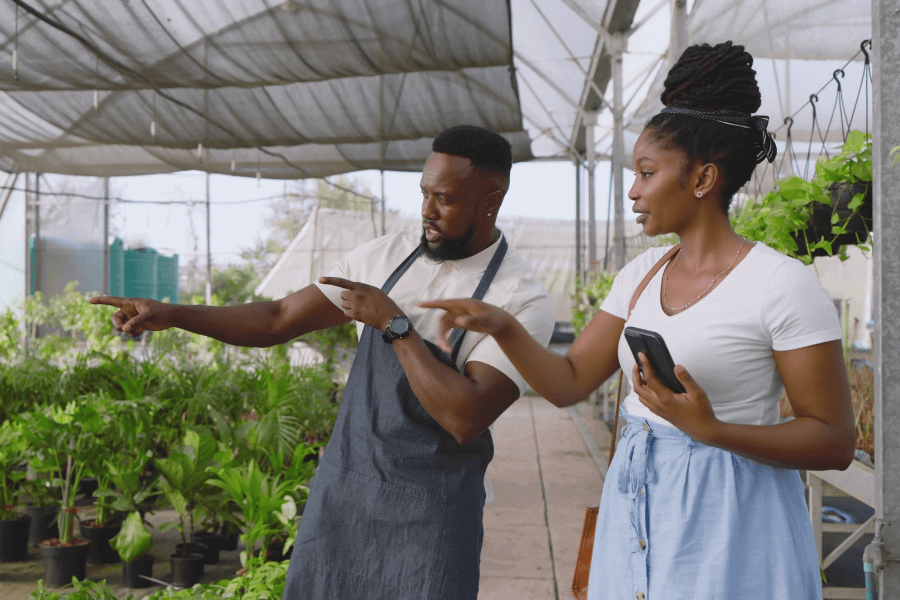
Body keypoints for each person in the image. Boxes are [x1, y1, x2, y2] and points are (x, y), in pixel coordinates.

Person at [421, 42, 855, 600]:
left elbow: (834, 439)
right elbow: (570, 382)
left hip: (731, 515)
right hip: (638, 503)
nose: (633, 190)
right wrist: (502, 325)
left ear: (702, 178)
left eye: (647, 173)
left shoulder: (782, 285)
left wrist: (711, 431)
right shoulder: (642, 274)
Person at [90, 125, 556, 600]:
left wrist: (395, 326)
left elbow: (465, 415)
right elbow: (277, 319)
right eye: (423, 194)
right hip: (346, 495)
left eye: (445, 199)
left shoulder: (519, 301)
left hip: (433, 513)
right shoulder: (384, 259)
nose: (426, 212)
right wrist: (174, 313)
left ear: (490, 199)